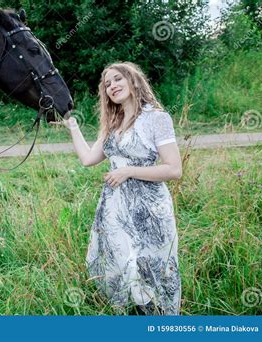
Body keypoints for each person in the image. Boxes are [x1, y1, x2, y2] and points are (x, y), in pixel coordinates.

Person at [52, 62, 182, 315]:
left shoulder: (156, 118)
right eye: (107, 84)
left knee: (152, 265)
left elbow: (174, 169)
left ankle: (159, 319)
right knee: (121, 262)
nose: (112, 86)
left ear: (133, 81)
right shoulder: (113, 123)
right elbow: (89, 159)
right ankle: (135, 313)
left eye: (117, 79)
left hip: (150, 209)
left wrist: (128, 171)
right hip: (115, 207)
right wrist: (74, 128)